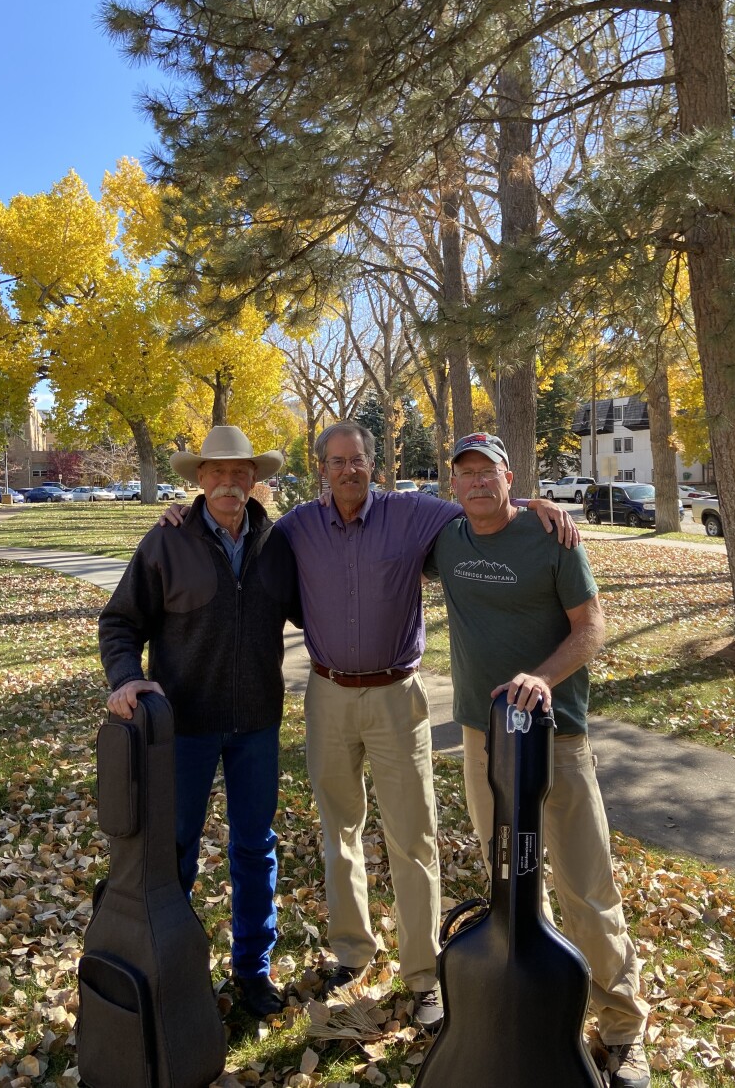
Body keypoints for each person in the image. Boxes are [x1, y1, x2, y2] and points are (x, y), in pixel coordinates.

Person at [274, 422, 578, 1031]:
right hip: (327, 691)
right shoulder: (297, 526)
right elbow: (243, 537)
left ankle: (421, 975)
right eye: (336, 462)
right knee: (340, 830)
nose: (348, 470)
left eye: (358, 460)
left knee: (413, 836)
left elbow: (484, 507)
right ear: (321, 469)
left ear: (373, 465)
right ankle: (353, 950)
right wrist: (187, 512)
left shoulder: (414, 515)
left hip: (396, 696)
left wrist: (533, 505)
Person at [424, 432, 650, 1088]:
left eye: (487, 473)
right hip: (482, 739)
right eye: (463, 474)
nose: (474, 484)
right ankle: (540, 1013)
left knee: (587, 888)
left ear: (507, 475)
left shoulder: (553, 538)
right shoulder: (447, 539)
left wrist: (543, 678)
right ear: (453, 485)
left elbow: (592, 626)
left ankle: (622, 1030)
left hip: (557, 737)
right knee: (513, 887)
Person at [98, 426, 301, 1020]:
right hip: (181, 729)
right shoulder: (166, 543)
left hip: (257, 725)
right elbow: (119, 623)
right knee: (174, 849)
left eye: (241, 473)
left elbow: (321, 602)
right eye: (217, 472)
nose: (230, 483)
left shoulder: (278, 543)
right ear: (200, 479)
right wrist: (125, 678)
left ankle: (252, 971)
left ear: (254, 480)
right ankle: (168, 964)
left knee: (254, 848)